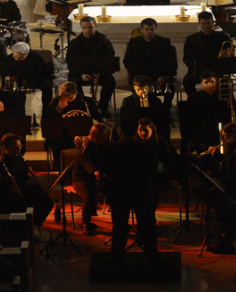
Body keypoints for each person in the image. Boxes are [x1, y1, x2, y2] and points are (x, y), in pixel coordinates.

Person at [100, 117, 160, 264]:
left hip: (119, 191)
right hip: (142, 190)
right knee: (147, 224)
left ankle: (118, 254)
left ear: (119, 131)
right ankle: (151, 254)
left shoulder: (110, 149)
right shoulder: (148, 148)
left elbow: (104, 170)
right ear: (136, 132)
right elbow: (154, 169)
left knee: (119, 225)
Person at [65, 16, 116, 115]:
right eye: (85, 28)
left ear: (95, 26)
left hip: (100, 73)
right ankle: (83, 106)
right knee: (73, 82)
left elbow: (109, 59)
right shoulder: (75, 43)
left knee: (110, 81)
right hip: (81, 73)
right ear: (81, 28)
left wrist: (100, 73)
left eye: (90, 27)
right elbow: (71, 62)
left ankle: (102, 107)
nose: (87, 30)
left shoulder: (104, 41)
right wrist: (81, 74)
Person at [1, 133, 55, 226]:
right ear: (5, 147)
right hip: (17, 192)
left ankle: (35, 224)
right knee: (41, 202)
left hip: (26, 188)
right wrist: (27, 183)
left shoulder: (19, 158)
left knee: (47, 201)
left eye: (19, 146)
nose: (18, 150)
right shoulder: (3, 162)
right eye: (15, 147)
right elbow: (7, 182)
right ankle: (30, 227)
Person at [42, 81, 100, 166]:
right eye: (63, 96)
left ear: (76, 93)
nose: (67, 99)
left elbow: (97, 119)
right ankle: (61, 170)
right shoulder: (56, 101)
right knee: (56, 142)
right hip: (62, 136)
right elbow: (46, 121)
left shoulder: (87, 102)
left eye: (70, 97)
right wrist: (58, 109)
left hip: (82, 135)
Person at [123, 18, 177, 107]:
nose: (149, 32)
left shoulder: (164, 42)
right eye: (147, 29)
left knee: (170, 87)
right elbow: (127, 61)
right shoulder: (134, 43)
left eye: (152, 29)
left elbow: (171, 62)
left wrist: (164, 77)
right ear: (142, 30)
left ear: (156, 29)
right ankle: (143, 110)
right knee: (140, 87)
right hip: (140, 76)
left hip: (160, 76)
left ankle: (165, 110)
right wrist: (137, 76)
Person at [68, 123, 110, 234]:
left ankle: (120, 223)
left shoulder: (105, 146)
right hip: (81, 177)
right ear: (95, 136)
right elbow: (85, 162)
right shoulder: (84, 145)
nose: (105, 138)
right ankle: (86, 225)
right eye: (102, 136)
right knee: (89, 197)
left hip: (98, 176)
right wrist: (94, 172)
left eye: (106, 136)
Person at [183, 70, 236, 154]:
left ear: (217, 82)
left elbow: (234, 114)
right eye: (206, 82)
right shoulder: (193, 99)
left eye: (212, 82)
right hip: (202, 136)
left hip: (221, 135)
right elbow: (188, 121)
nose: (209, 85)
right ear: (201, 83)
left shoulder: (225, 97)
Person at [182, 11, 232, 96]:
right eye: (203, 24)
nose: (206, 26)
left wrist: (229, 54)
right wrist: (194, 66)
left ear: (213, 23)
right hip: (198, 71)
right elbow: (186, 58)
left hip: (217, 70)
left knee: (224, 83)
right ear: (199, 24)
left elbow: (229, 53)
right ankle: (196, 101)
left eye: (209, 23)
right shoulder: (191, 39)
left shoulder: (223, 37)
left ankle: (219, 104)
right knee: (187, 82)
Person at [0, 42, 54, 113]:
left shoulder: (35, 57)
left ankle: (46, 111)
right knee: (17, 92)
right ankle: (20, 113)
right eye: (15, 57)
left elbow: (38, 73)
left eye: (21, 58)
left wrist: (27, 84)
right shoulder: (9, 59)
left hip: (37, 78)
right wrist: (7, 77)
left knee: (47, 86)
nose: (17, 59)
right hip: (18, 80)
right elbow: (3, 72)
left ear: (27, 54)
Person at [120, 75, 171, 143]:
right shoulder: (128, 101)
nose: (141, 93)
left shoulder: (155, 100)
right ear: (134, 87)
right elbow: (126, 118)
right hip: (134, 128)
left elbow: (161, 117)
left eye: (144, 90)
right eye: (138, 90)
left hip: (153, 127)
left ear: (149, 88)